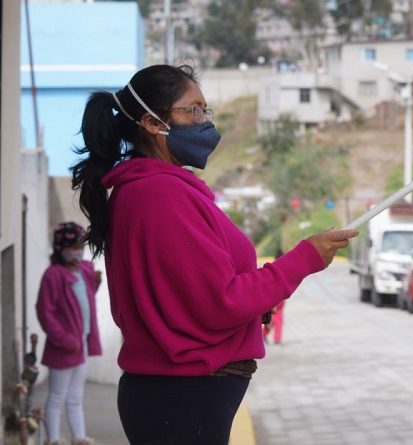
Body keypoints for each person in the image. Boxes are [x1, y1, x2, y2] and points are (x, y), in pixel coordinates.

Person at [70, 64, 357, 445]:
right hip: (181, 401)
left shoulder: (159, 189)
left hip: (182, 399)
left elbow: (185, 298)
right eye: (193, 110)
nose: (205, 122)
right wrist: (304, 258)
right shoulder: (160, 195)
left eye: (206, 110)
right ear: (152, 123)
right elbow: (219, 301)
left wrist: (255, 307)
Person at [36, 222, 102, 445]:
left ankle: (79, 437)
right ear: (61, 248)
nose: (78, 251)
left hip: (81, 342)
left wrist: (96, 283)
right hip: (63, 345)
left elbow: (84, 300)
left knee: (76, 396)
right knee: (57, 396)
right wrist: (63, 338)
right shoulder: (53, 275)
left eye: (81, 246)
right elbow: (45, 312)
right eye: (73, 247)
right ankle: (53, 439)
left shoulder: (83, 270)